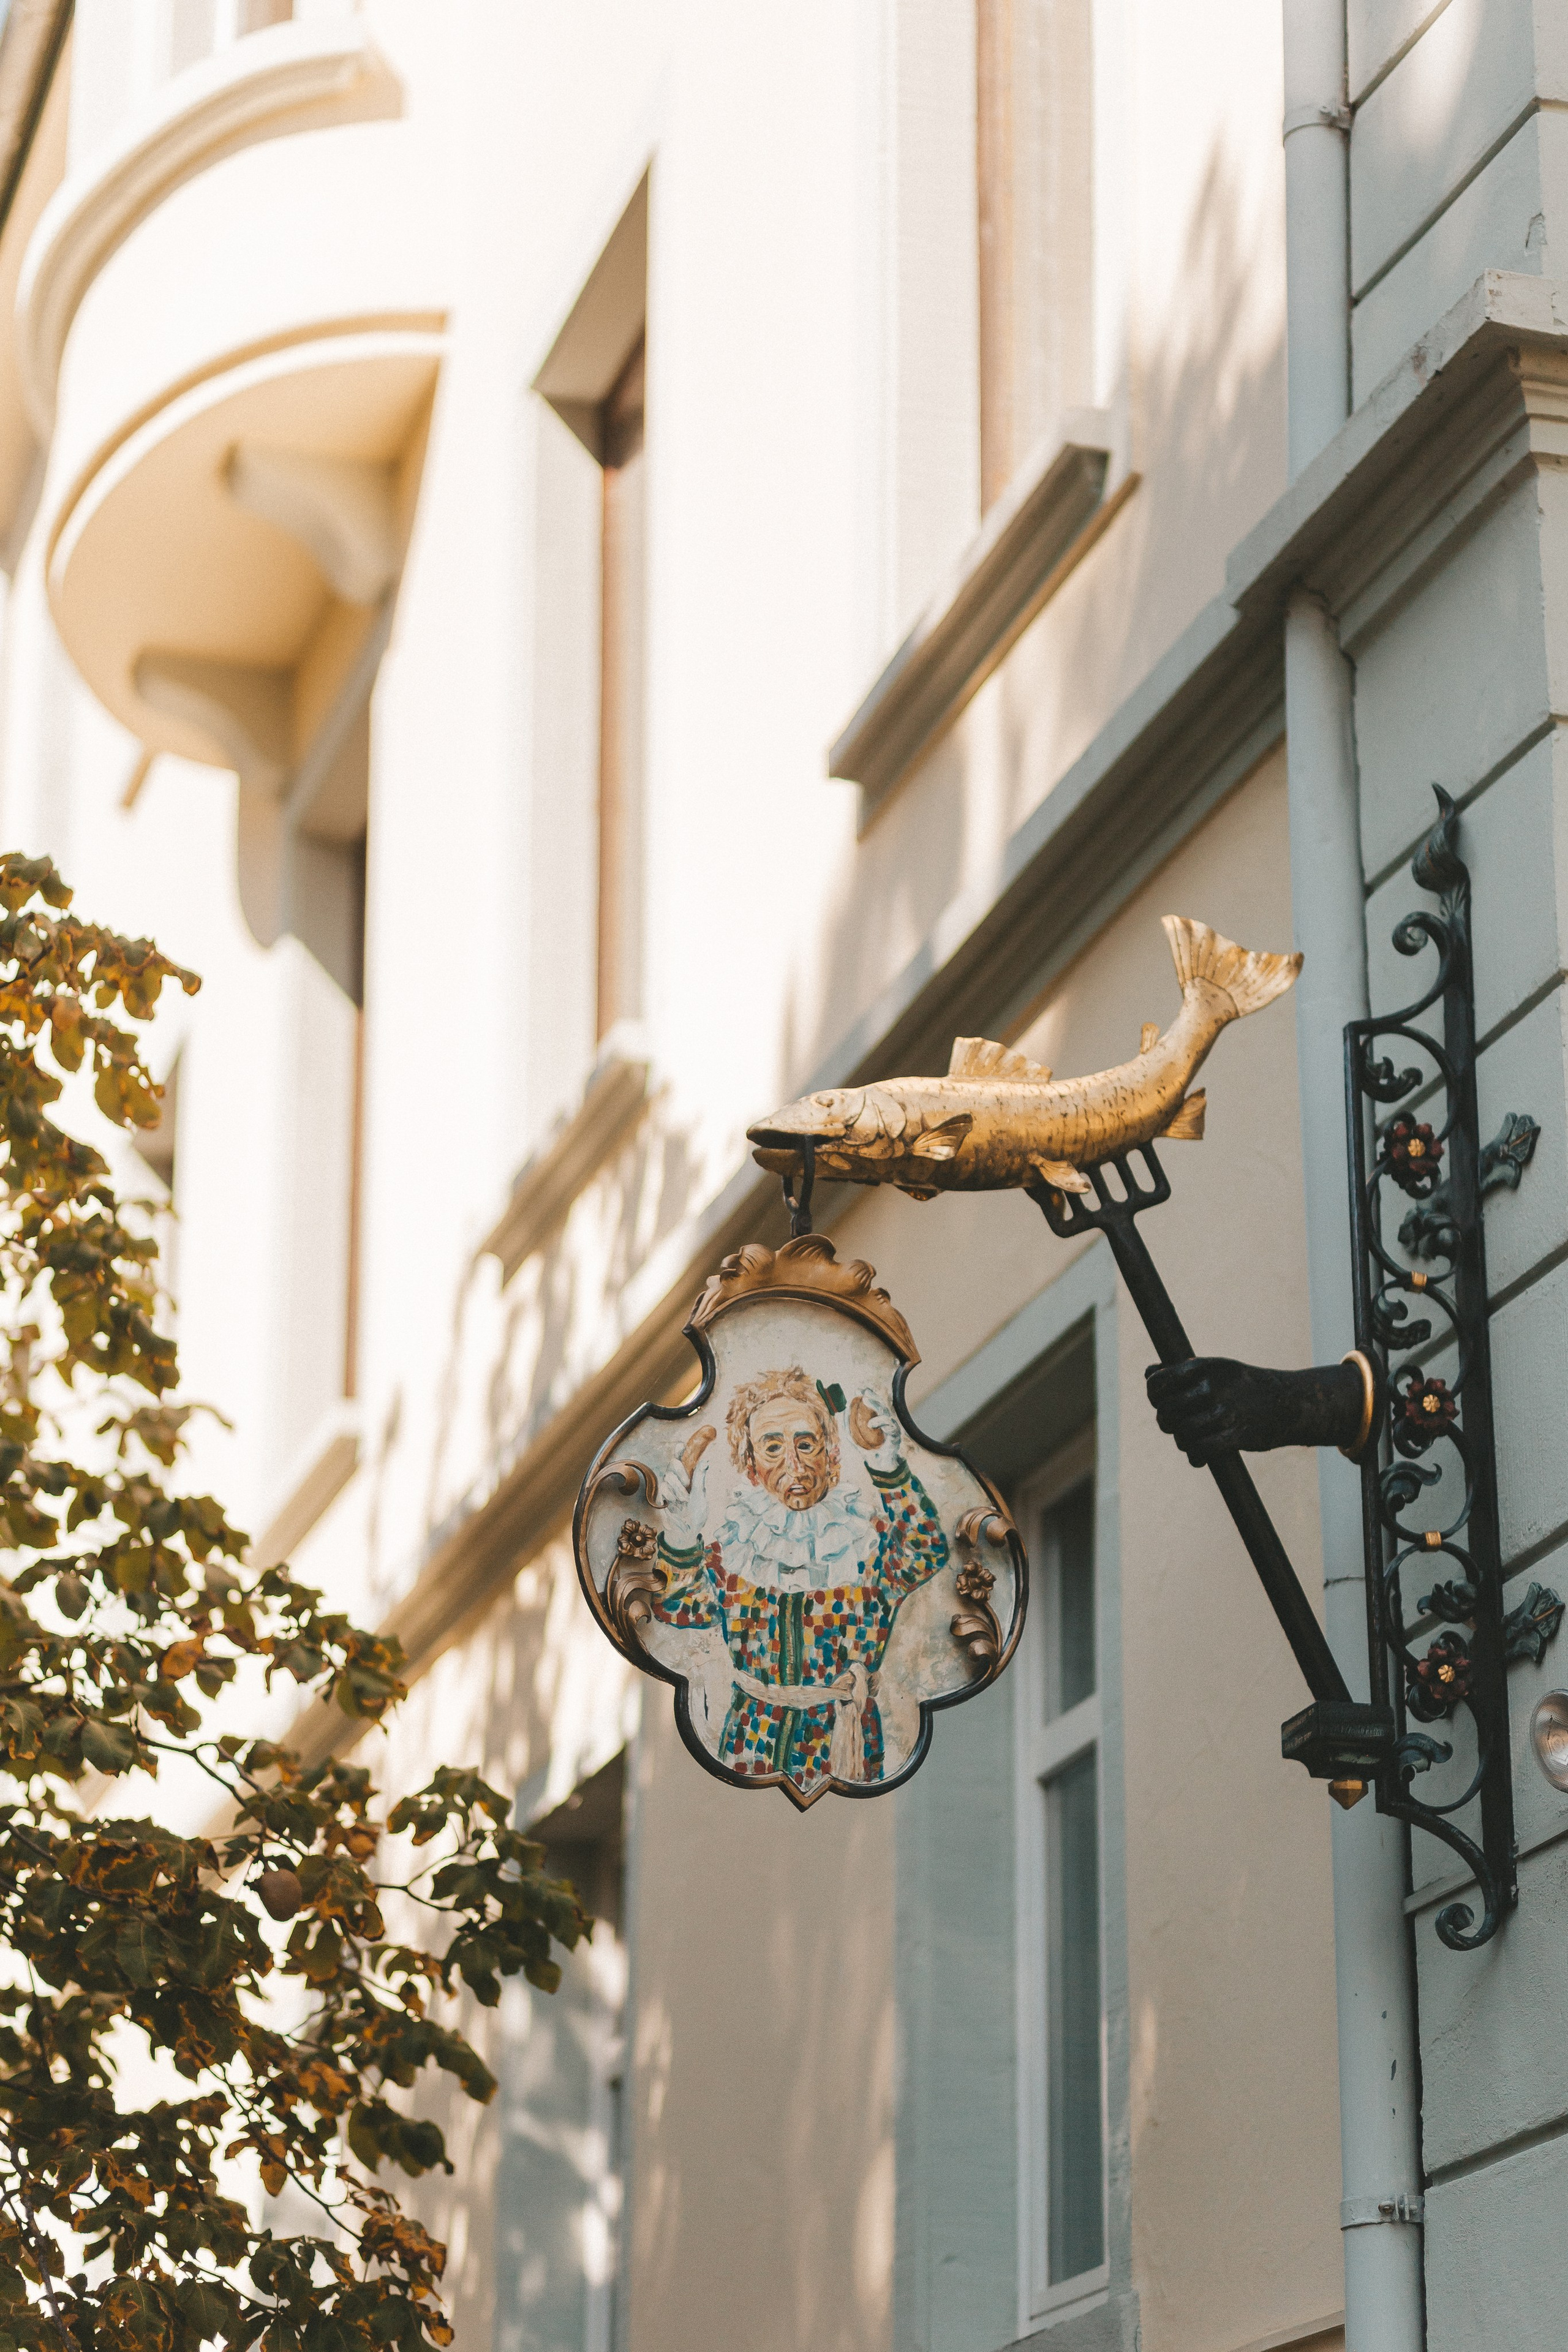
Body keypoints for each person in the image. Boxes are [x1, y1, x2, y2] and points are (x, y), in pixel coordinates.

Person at [652, 1365, 949, 1798]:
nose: (794, 1464)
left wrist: (890, 1468)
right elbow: (679, 1608)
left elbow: (926, 1551)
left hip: (845, 1750)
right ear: (750, 1466)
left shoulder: (867, 1545)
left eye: (806, 1444)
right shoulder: (732, 1554)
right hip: (749, 1756)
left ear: (831, 1455)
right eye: (772, 1448)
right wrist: (681, 1533)